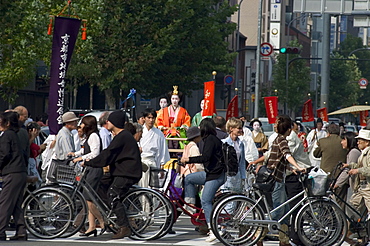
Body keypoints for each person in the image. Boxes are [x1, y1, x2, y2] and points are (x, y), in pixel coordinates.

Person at [83, 110, 142, 239]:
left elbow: (108, 153)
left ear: (114, 122)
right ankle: (111, 215)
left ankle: (124, 227)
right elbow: (109, 155)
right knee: (101, 184)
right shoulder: (122, 136)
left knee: (112, 194)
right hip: (122, 171)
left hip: (127, 173)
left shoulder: (122, 136)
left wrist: (90, 162)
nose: (107, 122)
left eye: (109, 121)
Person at [181, 118, 226, 242]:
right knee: (189, 178)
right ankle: (190, 204)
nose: (199, 129)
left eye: (201, 127)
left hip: (215, 176)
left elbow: (205, 158)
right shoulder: (210, 139)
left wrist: (188, 160)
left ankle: (213, 230)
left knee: (205, 200)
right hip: (210, 174)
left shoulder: (211, 140)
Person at [266, 115, 305, 246]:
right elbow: (287, 155)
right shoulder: (282, 140)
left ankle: (284, 240)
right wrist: (298, 166)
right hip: (275, 179)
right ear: (288, 129)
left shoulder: (278, 139)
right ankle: (257, 235)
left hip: (279, 178)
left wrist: (290, 168)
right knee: (277, 212)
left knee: (286, 210)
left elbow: (278, 159)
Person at [68, 116, 105, 237]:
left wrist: (80, 158)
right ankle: (92, 227)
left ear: (88, 125)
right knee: (88, 199)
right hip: (89, 169)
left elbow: (95, 153)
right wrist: (75, 154)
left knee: (89, 199)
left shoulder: (94, 136)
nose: (81, 126)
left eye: (83, 124)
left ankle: (102, 221)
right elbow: (85, 151)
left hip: (94, 169)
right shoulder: (89, 136)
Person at [0, 111, 28, 241]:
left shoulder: (7, 135)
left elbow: (4, 154)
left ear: (7, 122)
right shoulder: (15, 134)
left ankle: (0, 230)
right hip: (20, 171)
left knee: (5, 202)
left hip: (12, 172)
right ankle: (21, 230)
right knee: (16, 204)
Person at [342, 129, 370, 223]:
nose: (357, 142)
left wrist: (357, 170)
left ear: (366, 142)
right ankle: (361, 228)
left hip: (367, 187)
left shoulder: (369, 153)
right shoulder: (363, 153)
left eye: (360, 140)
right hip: (362, 186)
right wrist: (349, 165)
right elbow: (360, 166)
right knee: (352, 204)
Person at [138, 108, 170, 188]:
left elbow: (162, 150)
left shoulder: (159, 133)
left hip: (153, 162)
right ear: (144, 118)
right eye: (149, 118)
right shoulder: (139, 131)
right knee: (142, 186)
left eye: (153, 118)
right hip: (141, 162)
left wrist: (161, 166)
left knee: (152, 188)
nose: (151, 120)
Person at [336, 132, 361, 217]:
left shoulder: (353, 152)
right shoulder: (352, 152)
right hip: (354, 184)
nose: (341, 142)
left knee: (351, 206)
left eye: (344, 139)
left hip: (358, 185)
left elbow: (347, 171)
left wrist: (337, 184)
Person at [220, 118, 246, 194]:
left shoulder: (241, 144)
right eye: (239, 128)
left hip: (237, 175)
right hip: (226, 175)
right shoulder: (224, 143)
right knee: (227, 200)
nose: (241, 130)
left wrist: (243, 177)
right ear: (231, 129)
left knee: (235, 199)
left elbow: (242, 162)